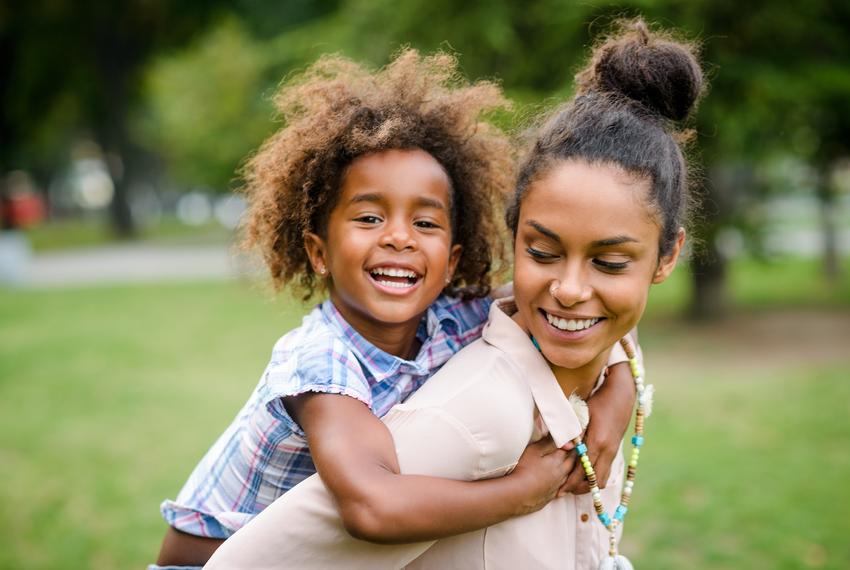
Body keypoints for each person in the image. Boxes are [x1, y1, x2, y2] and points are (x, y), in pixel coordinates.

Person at [204, 18, 703, 570]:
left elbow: (580, 311)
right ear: (318, 252)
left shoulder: (452, 317)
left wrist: (619, 392)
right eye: (369, 217)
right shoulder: (320, 363)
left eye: (425, 223)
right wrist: (520, 491)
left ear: (454, 264)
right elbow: (370, 508)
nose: (397, 236)